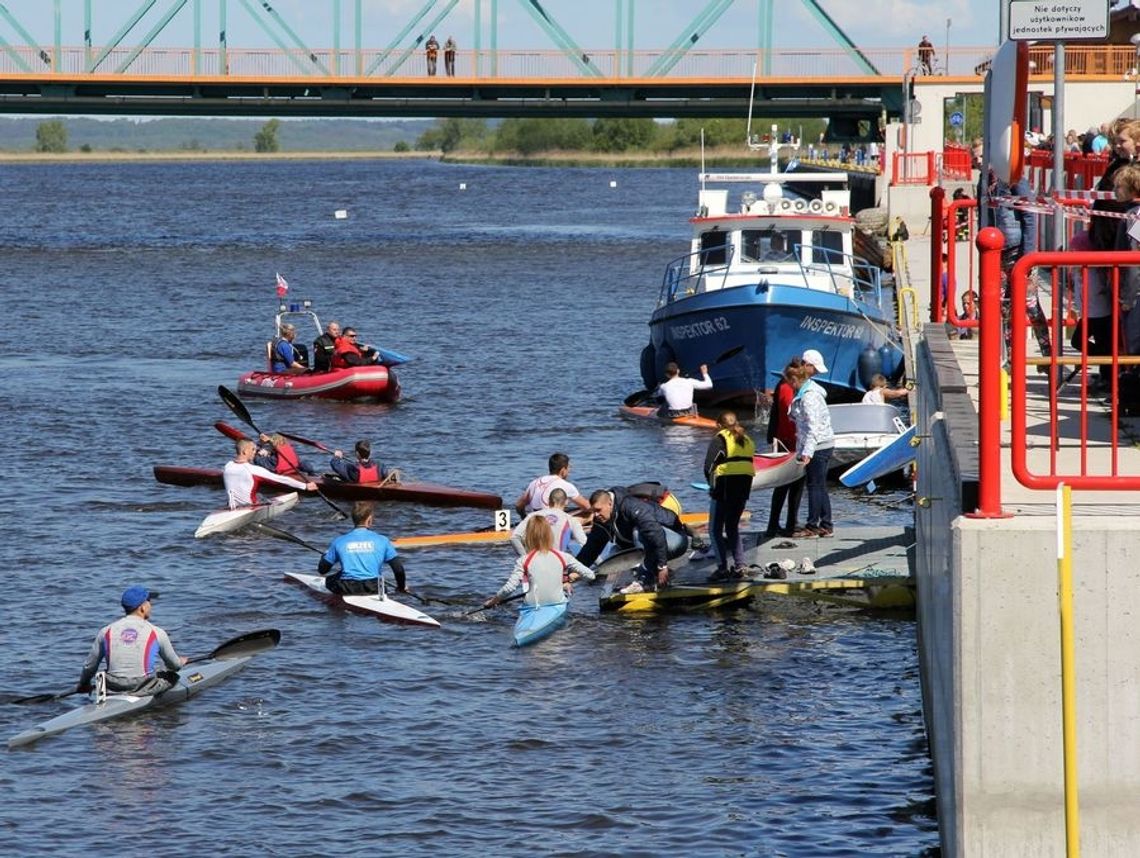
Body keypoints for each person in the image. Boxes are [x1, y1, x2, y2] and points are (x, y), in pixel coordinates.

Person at [577, 486, 691, 594]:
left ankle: (645, 580)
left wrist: (662, 566)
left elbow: (656, 533)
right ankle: (651, 572)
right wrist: (573, 571)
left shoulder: (630, 506)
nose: (595, 515)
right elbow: (591, 549)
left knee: (638, 532)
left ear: (610, 504)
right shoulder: (601, 519)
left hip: (676, 539)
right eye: (593, 511)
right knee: (615, 551)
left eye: (598, 510)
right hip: (655, 543)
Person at [77, 586, 188, 697]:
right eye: (149, 602)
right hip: (143, 686)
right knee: (171, 676)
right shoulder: (157, 632)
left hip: (113, 686)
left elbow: (89, 666)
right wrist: (181, 662)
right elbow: (174, 666)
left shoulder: (105, 631)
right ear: (142, 608)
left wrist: (84, 684)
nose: (151, 605)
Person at [484, 517, 594, 609]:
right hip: (557, 603)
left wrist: (493, 601)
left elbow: (509, 588)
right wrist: (570, 579)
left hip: (532, 605)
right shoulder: (564, 556)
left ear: (528, 537)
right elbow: (590, 575)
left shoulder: (524, 560)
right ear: (549, 535)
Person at [703, 411, 756, 582]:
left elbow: (708, 466)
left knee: (714, 529)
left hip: (724, 488)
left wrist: (711, 486)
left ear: (719, 425)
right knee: (732, 526)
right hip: (743, 487)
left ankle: (722, 569)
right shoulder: (746, 439)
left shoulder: (720, 439)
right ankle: (740, 566)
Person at [319, 501, 408, 595]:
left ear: (353, 519)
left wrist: (325, 555)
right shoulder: (383, 540)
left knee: (329, 580)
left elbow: (322, 570)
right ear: (369, 520)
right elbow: (398, 569)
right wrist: (401, 587)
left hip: (348, 587)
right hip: (373, 587)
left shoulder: (339, 541)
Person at [788, 361, 834, 538]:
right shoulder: (806, 393)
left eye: (789, 382)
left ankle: (812, 526)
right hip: (822, 443)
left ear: (794, 379)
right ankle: (826, 524)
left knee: (814, 486)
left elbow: (812, 426)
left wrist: (807, 452)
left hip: (818, 445)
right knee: (820, 485)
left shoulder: (808, 396)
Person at [765, 357, 805, 538]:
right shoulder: (787, 389)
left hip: (787, 441)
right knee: (790, 485)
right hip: (789, 443)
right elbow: (790, 416)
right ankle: (787, 524)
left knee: (787, 485)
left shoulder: (784, 387)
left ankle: (781, 523)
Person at [223, 439, 316, 509]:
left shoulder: (227, 466)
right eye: (253, 450)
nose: (255, 452)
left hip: (232, 508)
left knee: (259, 495)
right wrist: (305, 486)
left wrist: (261, 443)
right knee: (260, 497)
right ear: (245, 451)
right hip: (249, 507)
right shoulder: (253, 470)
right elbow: (281, 479)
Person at [511, 487, 588, 556]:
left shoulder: (532, 516)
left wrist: (524, 557)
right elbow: (585, 544)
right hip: (557, 564)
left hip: (535, 564)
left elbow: (514, 537)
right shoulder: (571, 520)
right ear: (566, 502)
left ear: (548, 501)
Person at [515, 452, 589, 516]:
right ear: (563, 470)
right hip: (549, 525)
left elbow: (518, 506)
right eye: (568, 468)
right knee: (589, 514)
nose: (569, 471)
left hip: (533, 522)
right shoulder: (565, 485)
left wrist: (523, 517)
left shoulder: (534, 482)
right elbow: (587, 507)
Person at [330, 439, 395, 484]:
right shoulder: (380, 466)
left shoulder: (353, 468)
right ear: (370, 452)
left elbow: (335, 465)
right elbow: (386, 475)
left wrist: (337, 457)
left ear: (357, 453)